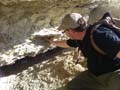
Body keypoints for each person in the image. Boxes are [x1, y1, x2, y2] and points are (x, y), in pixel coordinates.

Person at [48, 13, 120, 90]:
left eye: (64, 31)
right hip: (93, 76)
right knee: (70, 87)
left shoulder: (102, 35)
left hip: (114, 74)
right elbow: (66, 43)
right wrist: (53, 42)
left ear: (71, 31)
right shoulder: (79, 38)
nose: (64, 33)